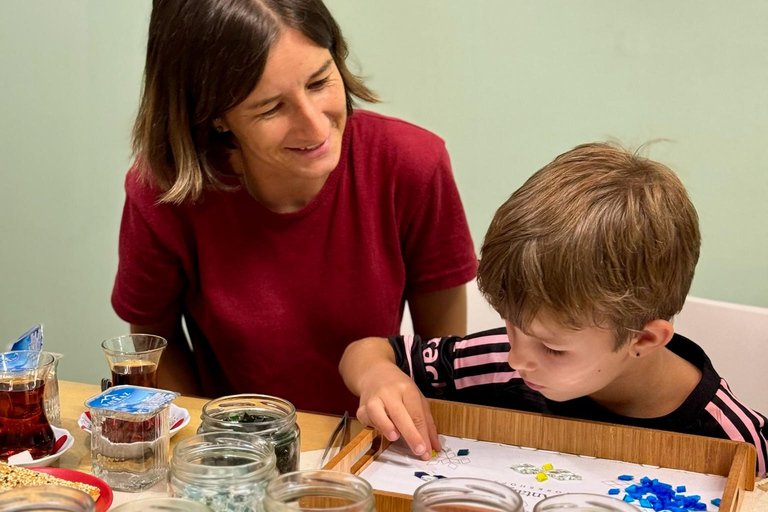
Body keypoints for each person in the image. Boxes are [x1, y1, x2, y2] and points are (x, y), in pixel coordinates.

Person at [111, 0, 477, 414]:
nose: (316, 126)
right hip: (232, 451)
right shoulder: (165, 193)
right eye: (271, 107)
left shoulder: (413, 164)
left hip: (372, 443)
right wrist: (212, 440)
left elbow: (442, 360)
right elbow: (152, 347)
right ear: (215, 117)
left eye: (320, 82)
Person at [340, 143, 768, 476]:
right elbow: (370, 352)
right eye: (511, 328)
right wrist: (378, 376)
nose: (516, 358)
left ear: (643, 338)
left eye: (552, 348)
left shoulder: (734, 440)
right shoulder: (501, 362)